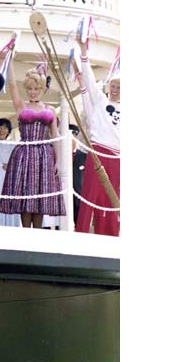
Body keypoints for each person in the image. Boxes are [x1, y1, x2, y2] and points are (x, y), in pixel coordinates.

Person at [0, 67, 65, 228]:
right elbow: (12, 86)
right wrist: (10, 61)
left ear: (42, 89)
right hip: (24, 154)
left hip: (44, 155)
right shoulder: (21, 106)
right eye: (29, 89)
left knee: (40, 195)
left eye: (36, 89)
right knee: (25, 193)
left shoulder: (50, 109)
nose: (33, 92)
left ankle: (38, 233)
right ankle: (26, 232)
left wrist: (58, 161)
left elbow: (54, 135)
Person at [74, 38, 120, 236]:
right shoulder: (100, 100)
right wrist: (83, 52)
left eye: (119, 87)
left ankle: (109, 235)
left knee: (111, 198)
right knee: (90, 194)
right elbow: (90, 81)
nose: (115, 90)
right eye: (113, 86)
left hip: (117, 156)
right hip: (98, 151)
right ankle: (82, 232)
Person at [69, 123, 87, 227]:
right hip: (62, 198)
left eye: (73, 135)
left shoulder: (84, 156)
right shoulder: (57, 156)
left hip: (79, 200)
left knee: (80, 226)